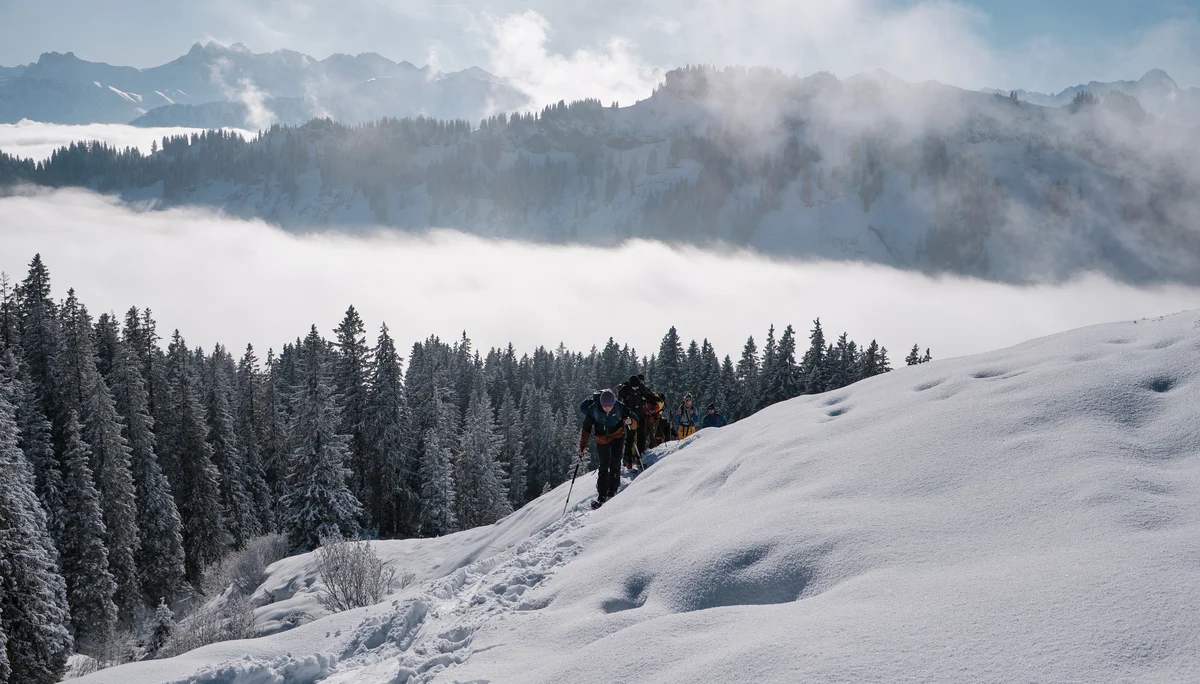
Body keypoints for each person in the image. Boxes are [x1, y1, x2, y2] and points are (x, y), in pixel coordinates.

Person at [578, 388, 638, 509]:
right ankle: (601, 494)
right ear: (600, 403)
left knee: (615, 461)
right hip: (601, 439)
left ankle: (613, 490)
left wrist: (630, 421)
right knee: (603, 465)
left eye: (609, 406)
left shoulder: (620, 407)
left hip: (617, 437)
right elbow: (586, 428)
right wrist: (582, 446)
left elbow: (636, 420)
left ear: (613, 403)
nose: (607, 408)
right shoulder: (594, 409)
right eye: (605, 406)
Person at [616, 375, 657, 469]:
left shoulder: (640, 387)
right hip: (630, 416)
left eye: (637, 386)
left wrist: (653, 400)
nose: (636, 388)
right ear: (631, 385)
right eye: (635, 386)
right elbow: (619, 402)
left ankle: (639, 457)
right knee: (630, 437)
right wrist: (624, 415)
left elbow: (648, 394)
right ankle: (627, 458)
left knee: (642, 435)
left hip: (641, 414)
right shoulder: (624, 390)